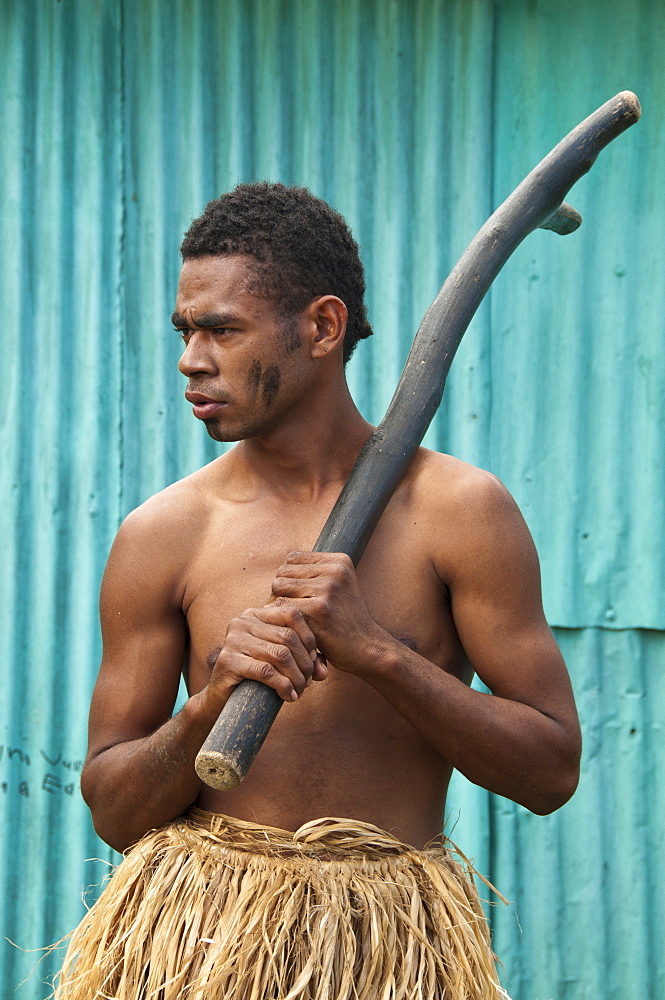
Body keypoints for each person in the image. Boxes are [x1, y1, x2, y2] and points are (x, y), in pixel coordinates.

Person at [55, 182, 581, 1000]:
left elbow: (549, 774)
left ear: (322, 327)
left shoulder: (459, 514)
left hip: (391, 943)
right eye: (184, 331)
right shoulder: (163, 534)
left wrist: (379, 655)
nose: (191, 358)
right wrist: (210, 700)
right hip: (202, 942)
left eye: (222, 329)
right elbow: (115, 814)